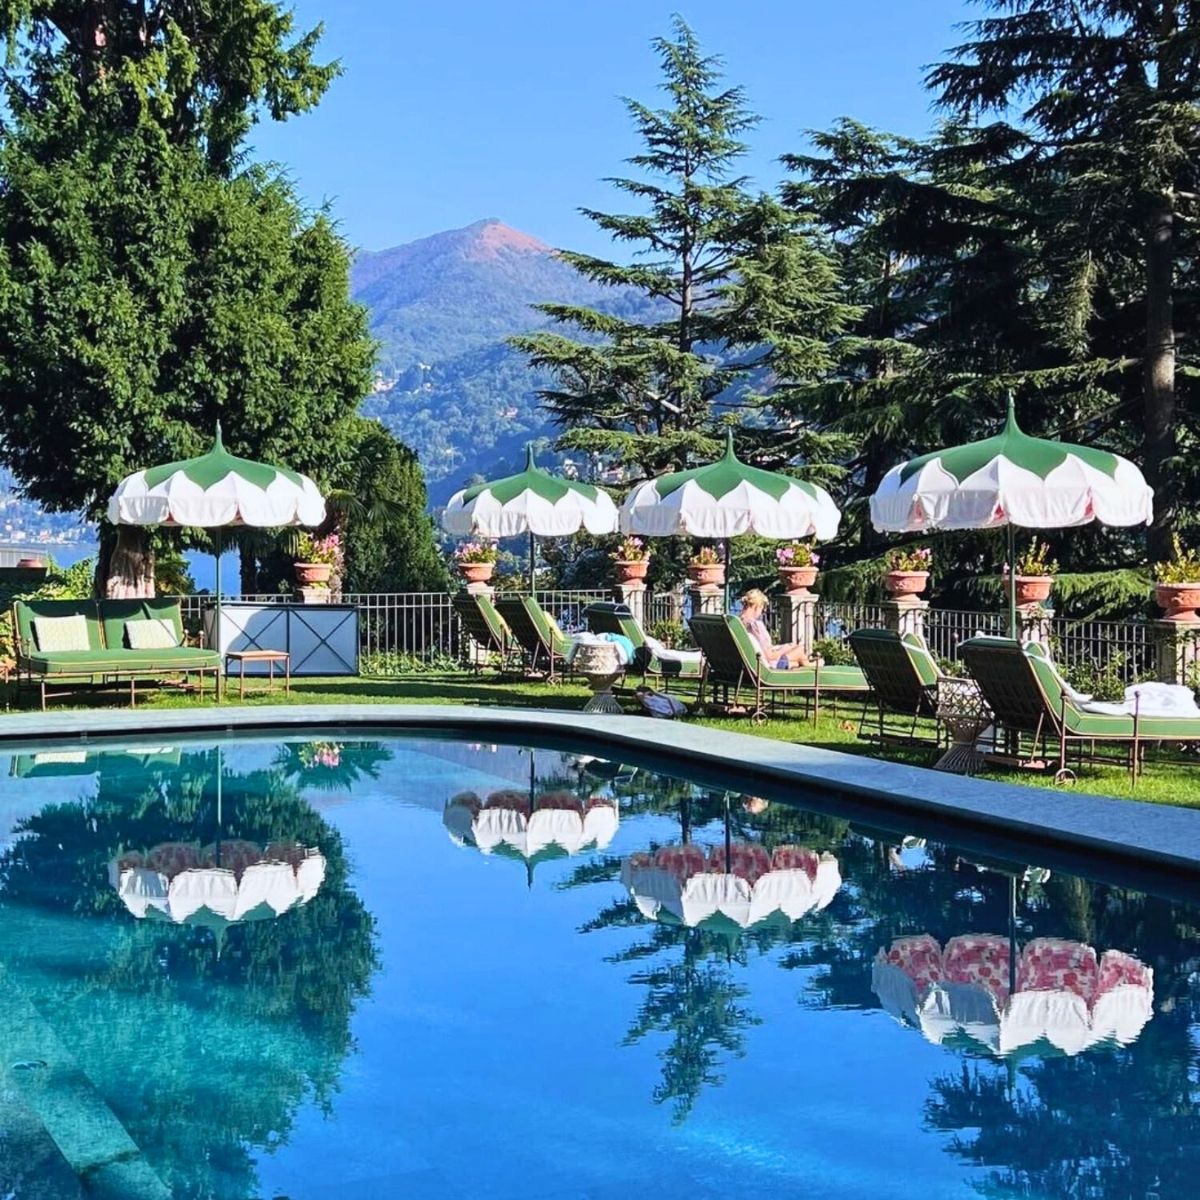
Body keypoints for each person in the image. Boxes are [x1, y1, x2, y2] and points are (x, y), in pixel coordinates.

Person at [736, 589, 818, 669]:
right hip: (769, 665)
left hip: (752, 664)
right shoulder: (756, 625)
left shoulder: (739, 622)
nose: (762, 612)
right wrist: (786, 648)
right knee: (799, 649)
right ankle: (813, 666)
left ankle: (808, 665)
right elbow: (770, 656)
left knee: (795, 663)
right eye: (763, 608)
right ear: (758, 606)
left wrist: (782, 647)